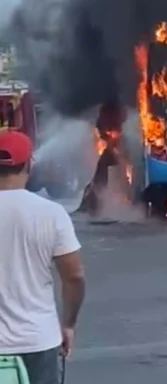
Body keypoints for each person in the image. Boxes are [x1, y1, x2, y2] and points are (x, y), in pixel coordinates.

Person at [0, 130, 86, 384]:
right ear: (29, 163)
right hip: (37, 341)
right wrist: (68, 325)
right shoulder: (51, 214)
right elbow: (74, 277)